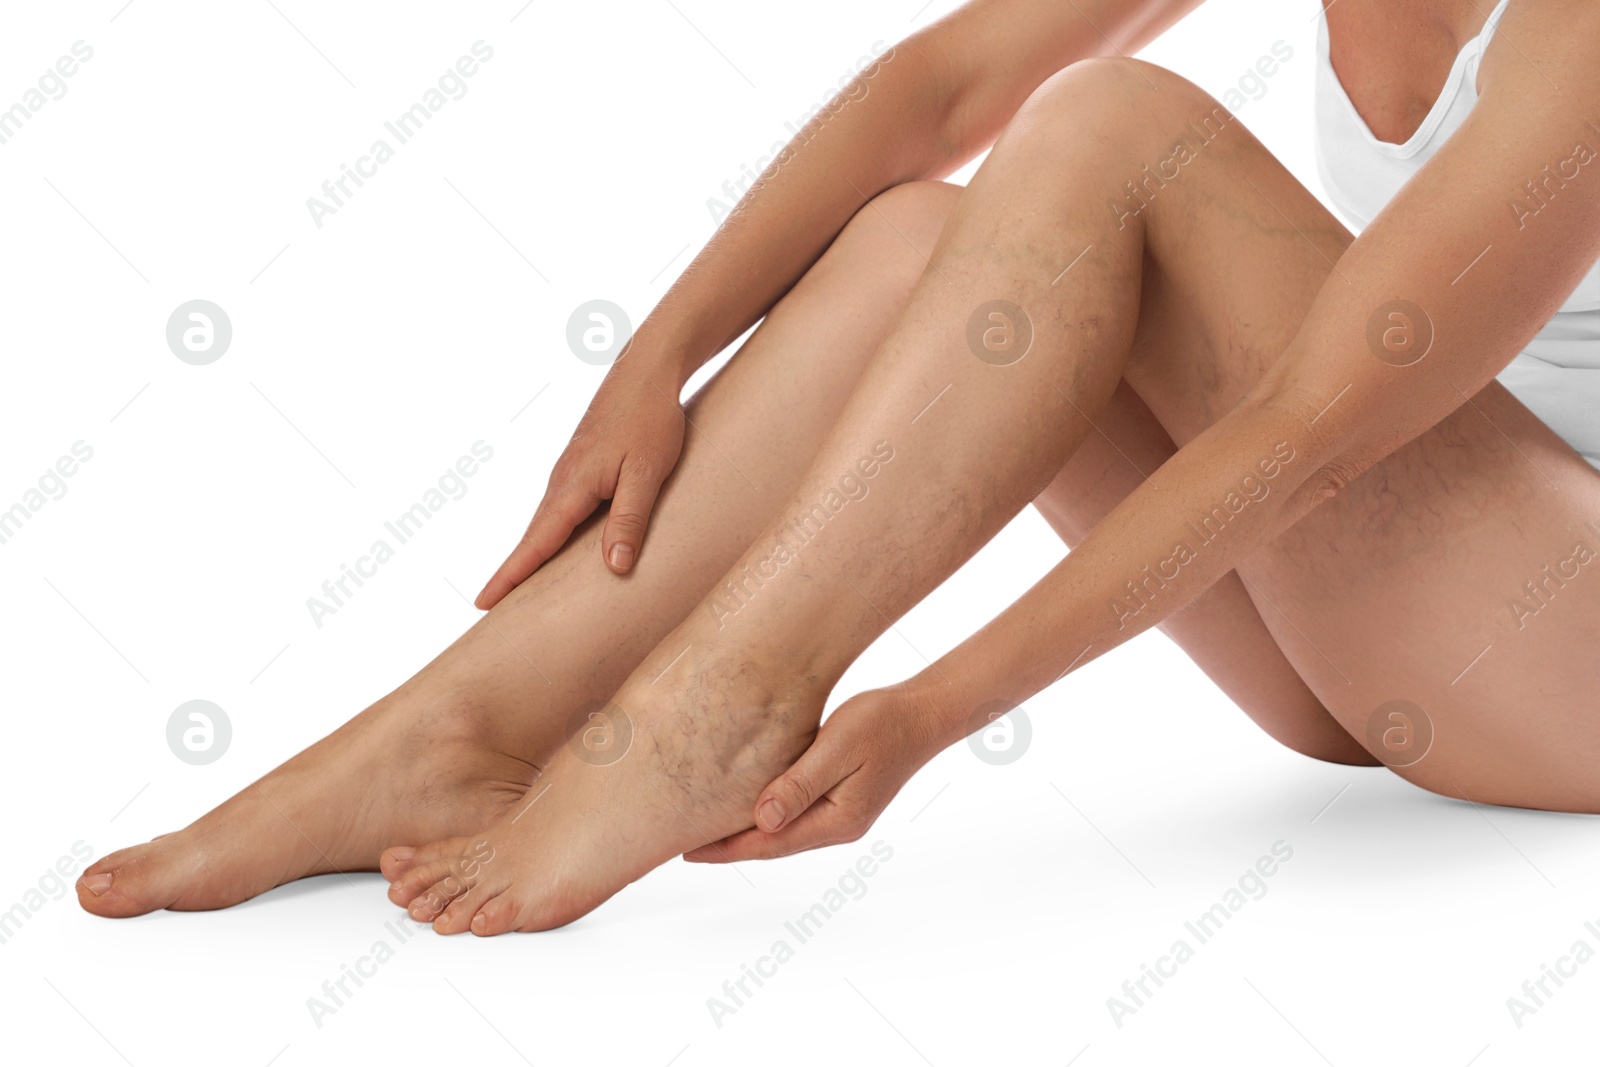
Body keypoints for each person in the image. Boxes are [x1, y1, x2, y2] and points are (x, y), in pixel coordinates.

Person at [78, 0, 1600, 934]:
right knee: (917, 241)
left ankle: (714, 708)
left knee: (1115, 131)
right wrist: (659, 353)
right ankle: (454, 725)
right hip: (1393, 645)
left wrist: (932, 710)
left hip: (1559, 650)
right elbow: (946, 87)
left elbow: (1312, 430)